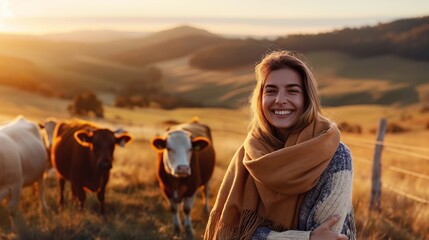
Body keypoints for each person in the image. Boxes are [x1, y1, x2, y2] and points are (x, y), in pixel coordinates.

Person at [204, 50, 356, 240]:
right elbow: (232, 231)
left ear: (307, 98)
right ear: (260, 98)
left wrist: (261, 235)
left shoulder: (335, 155)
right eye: (271, 90)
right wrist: (305, 238)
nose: (280, 100)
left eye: (292, 91)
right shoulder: (250, 152)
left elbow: (328, 236)